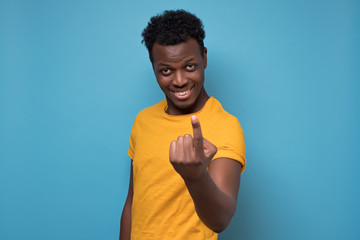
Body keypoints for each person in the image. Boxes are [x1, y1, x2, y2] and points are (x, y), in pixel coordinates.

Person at [119, 9, 246, 240]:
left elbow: (221, 219)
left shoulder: (225, 125)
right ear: (154, 66)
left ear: (204, 58)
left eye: (189, 66)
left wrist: (195, 176)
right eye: (166, 70)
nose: (179, 81)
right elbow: (132, 203)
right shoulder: (143, 120)